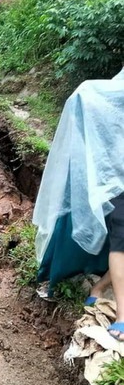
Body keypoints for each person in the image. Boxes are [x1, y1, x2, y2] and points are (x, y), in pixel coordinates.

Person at [33, 71, 124, 340]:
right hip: (119, 178)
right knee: (121, 241)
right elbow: (104, 95)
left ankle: (98, 288)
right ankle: (122, 316)